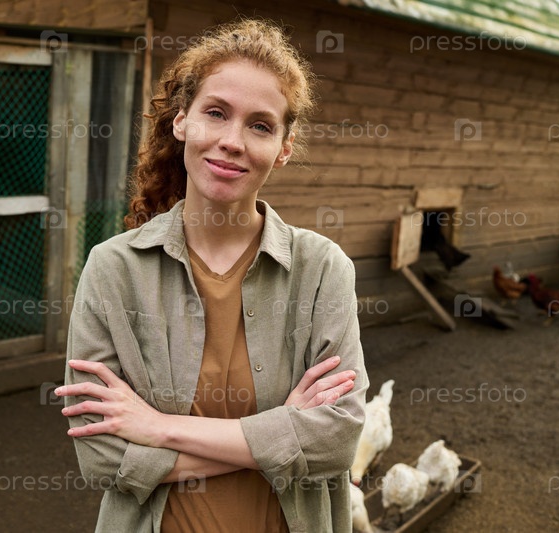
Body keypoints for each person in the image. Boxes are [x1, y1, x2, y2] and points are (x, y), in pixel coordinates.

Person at [54, 19, 369, 533]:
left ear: (284, 148)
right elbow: (103, 456)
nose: (232, 141)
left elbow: (335, 440)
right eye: (216, 113)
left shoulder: (322, 269)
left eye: (260, 126)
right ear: (182, 121)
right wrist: (281, 433)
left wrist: (158, 428)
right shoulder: (113, 269)